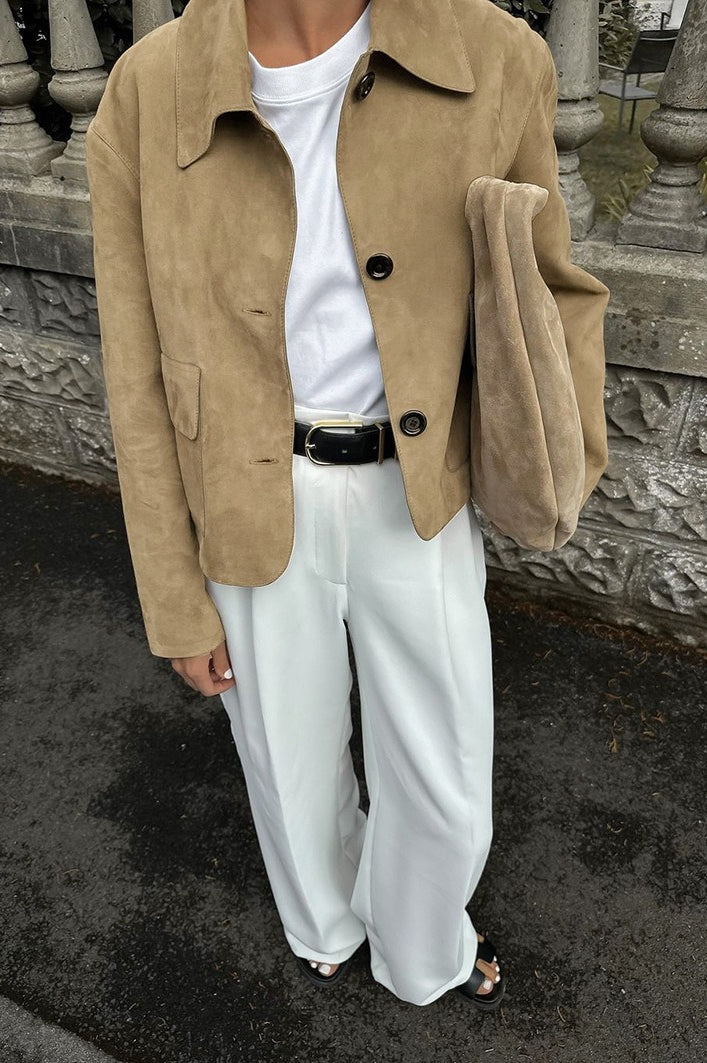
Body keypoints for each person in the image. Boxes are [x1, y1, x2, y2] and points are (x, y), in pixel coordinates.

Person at [85, 0, 609, 1009]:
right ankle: (323, 922)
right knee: (285, 756)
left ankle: (422, 944)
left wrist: (558, 452)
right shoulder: (149, 89)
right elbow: (134, 369)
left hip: (414, 485)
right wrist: (172, 596)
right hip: (243, 486)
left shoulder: (490, 55)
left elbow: (552, 287)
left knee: (446, 775)